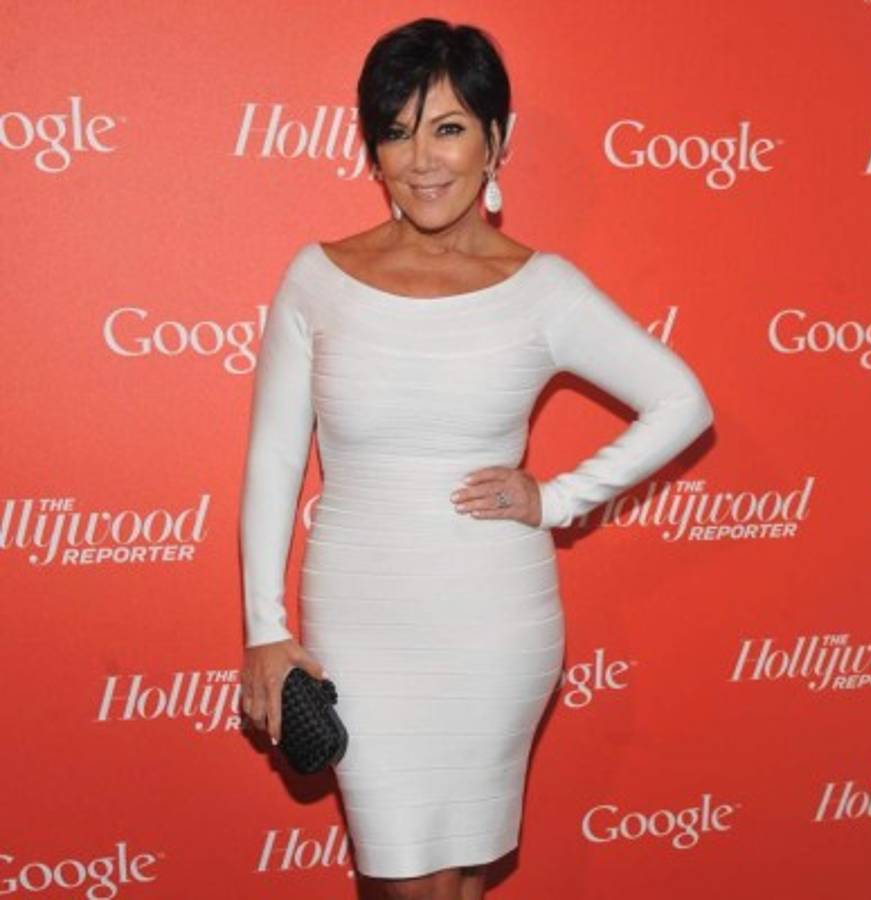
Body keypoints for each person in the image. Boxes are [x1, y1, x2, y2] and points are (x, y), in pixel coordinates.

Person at [238, 16, 714, 900]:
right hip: (359, 616)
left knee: (457, 877)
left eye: (448, 128)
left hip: (493, 617)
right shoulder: (317, 278)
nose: (422, 159)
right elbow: (273, 462)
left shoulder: (543, 289)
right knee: (403, 879)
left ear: (495, 140)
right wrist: (265, 629)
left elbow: (682, 400)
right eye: (397, 131)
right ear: (373, 151)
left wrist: (558, 498)